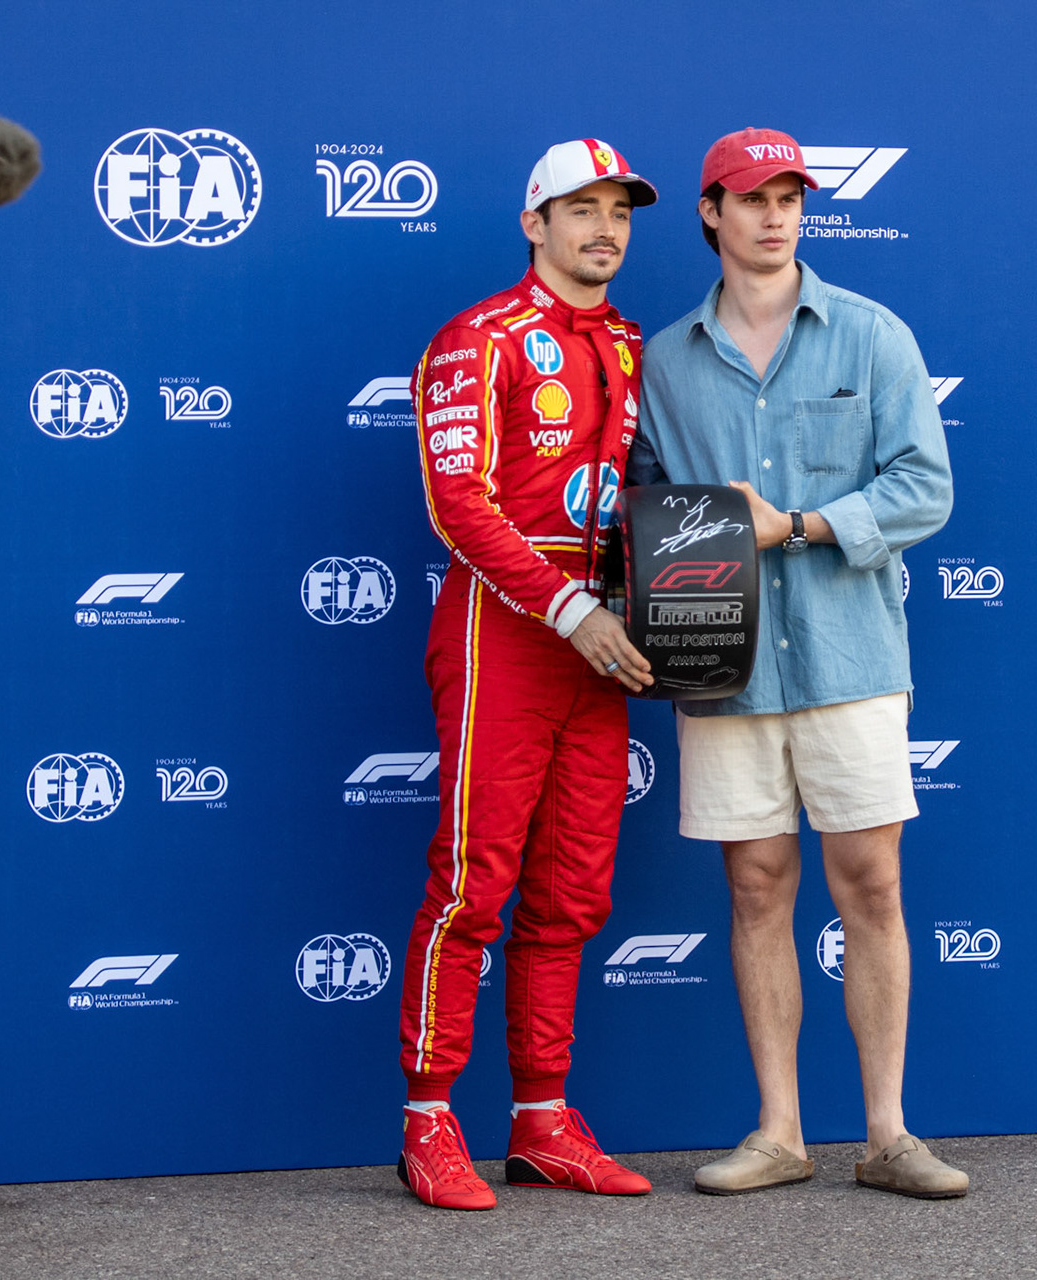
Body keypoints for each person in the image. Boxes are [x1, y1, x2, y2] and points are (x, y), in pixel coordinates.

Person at [630, 127, 965, 1199]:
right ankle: (779, 1130)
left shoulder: (872, 335)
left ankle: (887, 1130)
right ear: (709, 215)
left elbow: (925, 486)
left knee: (871, 883)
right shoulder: (664, 357)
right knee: (757, 885)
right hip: (720, 663)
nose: (775, 214)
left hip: (851, 660)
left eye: (791, 196)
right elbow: (638, 505)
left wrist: (804, 524)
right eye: (751, 196)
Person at [395, 139, 659, 1211]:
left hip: (607, 635)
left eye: (620, 212)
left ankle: (542, 1117)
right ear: (533, 223)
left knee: (574, 890)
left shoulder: (639, 343)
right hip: (508, 626)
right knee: (473, 883)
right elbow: (460, 503)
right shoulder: (479, 338)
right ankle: (427, 1121)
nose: (604, 228)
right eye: (580, 208)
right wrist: (568, 608)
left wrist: (667, 606)